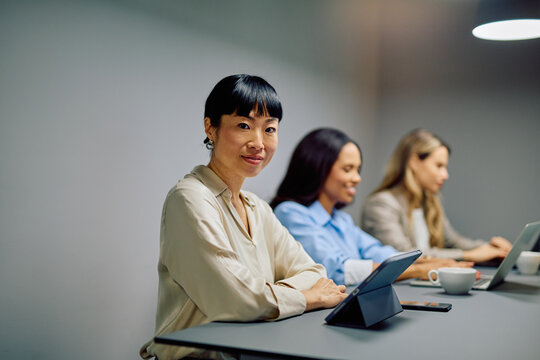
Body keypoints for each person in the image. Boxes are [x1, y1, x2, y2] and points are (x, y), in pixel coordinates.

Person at [140, 75, 347, 360]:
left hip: (253, 350)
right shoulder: (189, 198)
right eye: (244, 126)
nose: (259, 143)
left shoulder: (257, 207)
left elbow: (315, 273)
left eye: (270, 129)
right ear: (210, 128)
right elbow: (238, 301)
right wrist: (305, 298)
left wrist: (265, 295)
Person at [271, 128, 470, 286]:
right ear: (317, 168)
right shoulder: (290, 213)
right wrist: (418, 270)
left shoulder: (341, 219)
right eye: (348, 169)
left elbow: (377, 251)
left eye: (358, 169)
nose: (357, 178)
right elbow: (337, 270)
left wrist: (429, 263)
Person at [361, 128, 512, 262]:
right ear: (414, 162)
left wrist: (491, 248)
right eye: (439, 166)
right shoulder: (381, 204)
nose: (445, 175)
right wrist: (468, 255)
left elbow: (454, 241)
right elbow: (405, 255)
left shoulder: (429, 201)